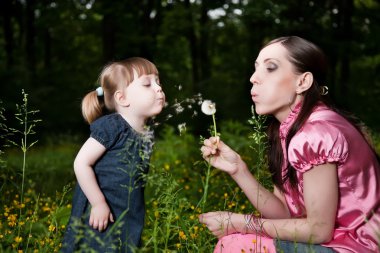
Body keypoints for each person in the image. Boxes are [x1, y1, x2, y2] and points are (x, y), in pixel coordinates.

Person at [199, 36, 380, 253]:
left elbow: (318, 230)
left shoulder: (316, 133)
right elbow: (284, 213)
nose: (253, 78)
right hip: (339, 243)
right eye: (255, 68)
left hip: (359, 247)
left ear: (302, 82)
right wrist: (239, 170)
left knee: (235, 245)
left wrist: (240, 223)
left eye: (270, 68)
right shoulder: (290, 130)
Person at [61, 57, 165, 252]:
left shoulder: (145, 133)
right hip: (100, 212)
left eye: (158, 82)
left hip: (126, 211)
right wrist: (98, 203)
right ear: (122, 98)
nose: (158, 88)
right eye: (147, 84)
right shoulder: (113, 126)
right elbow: (81, 163)